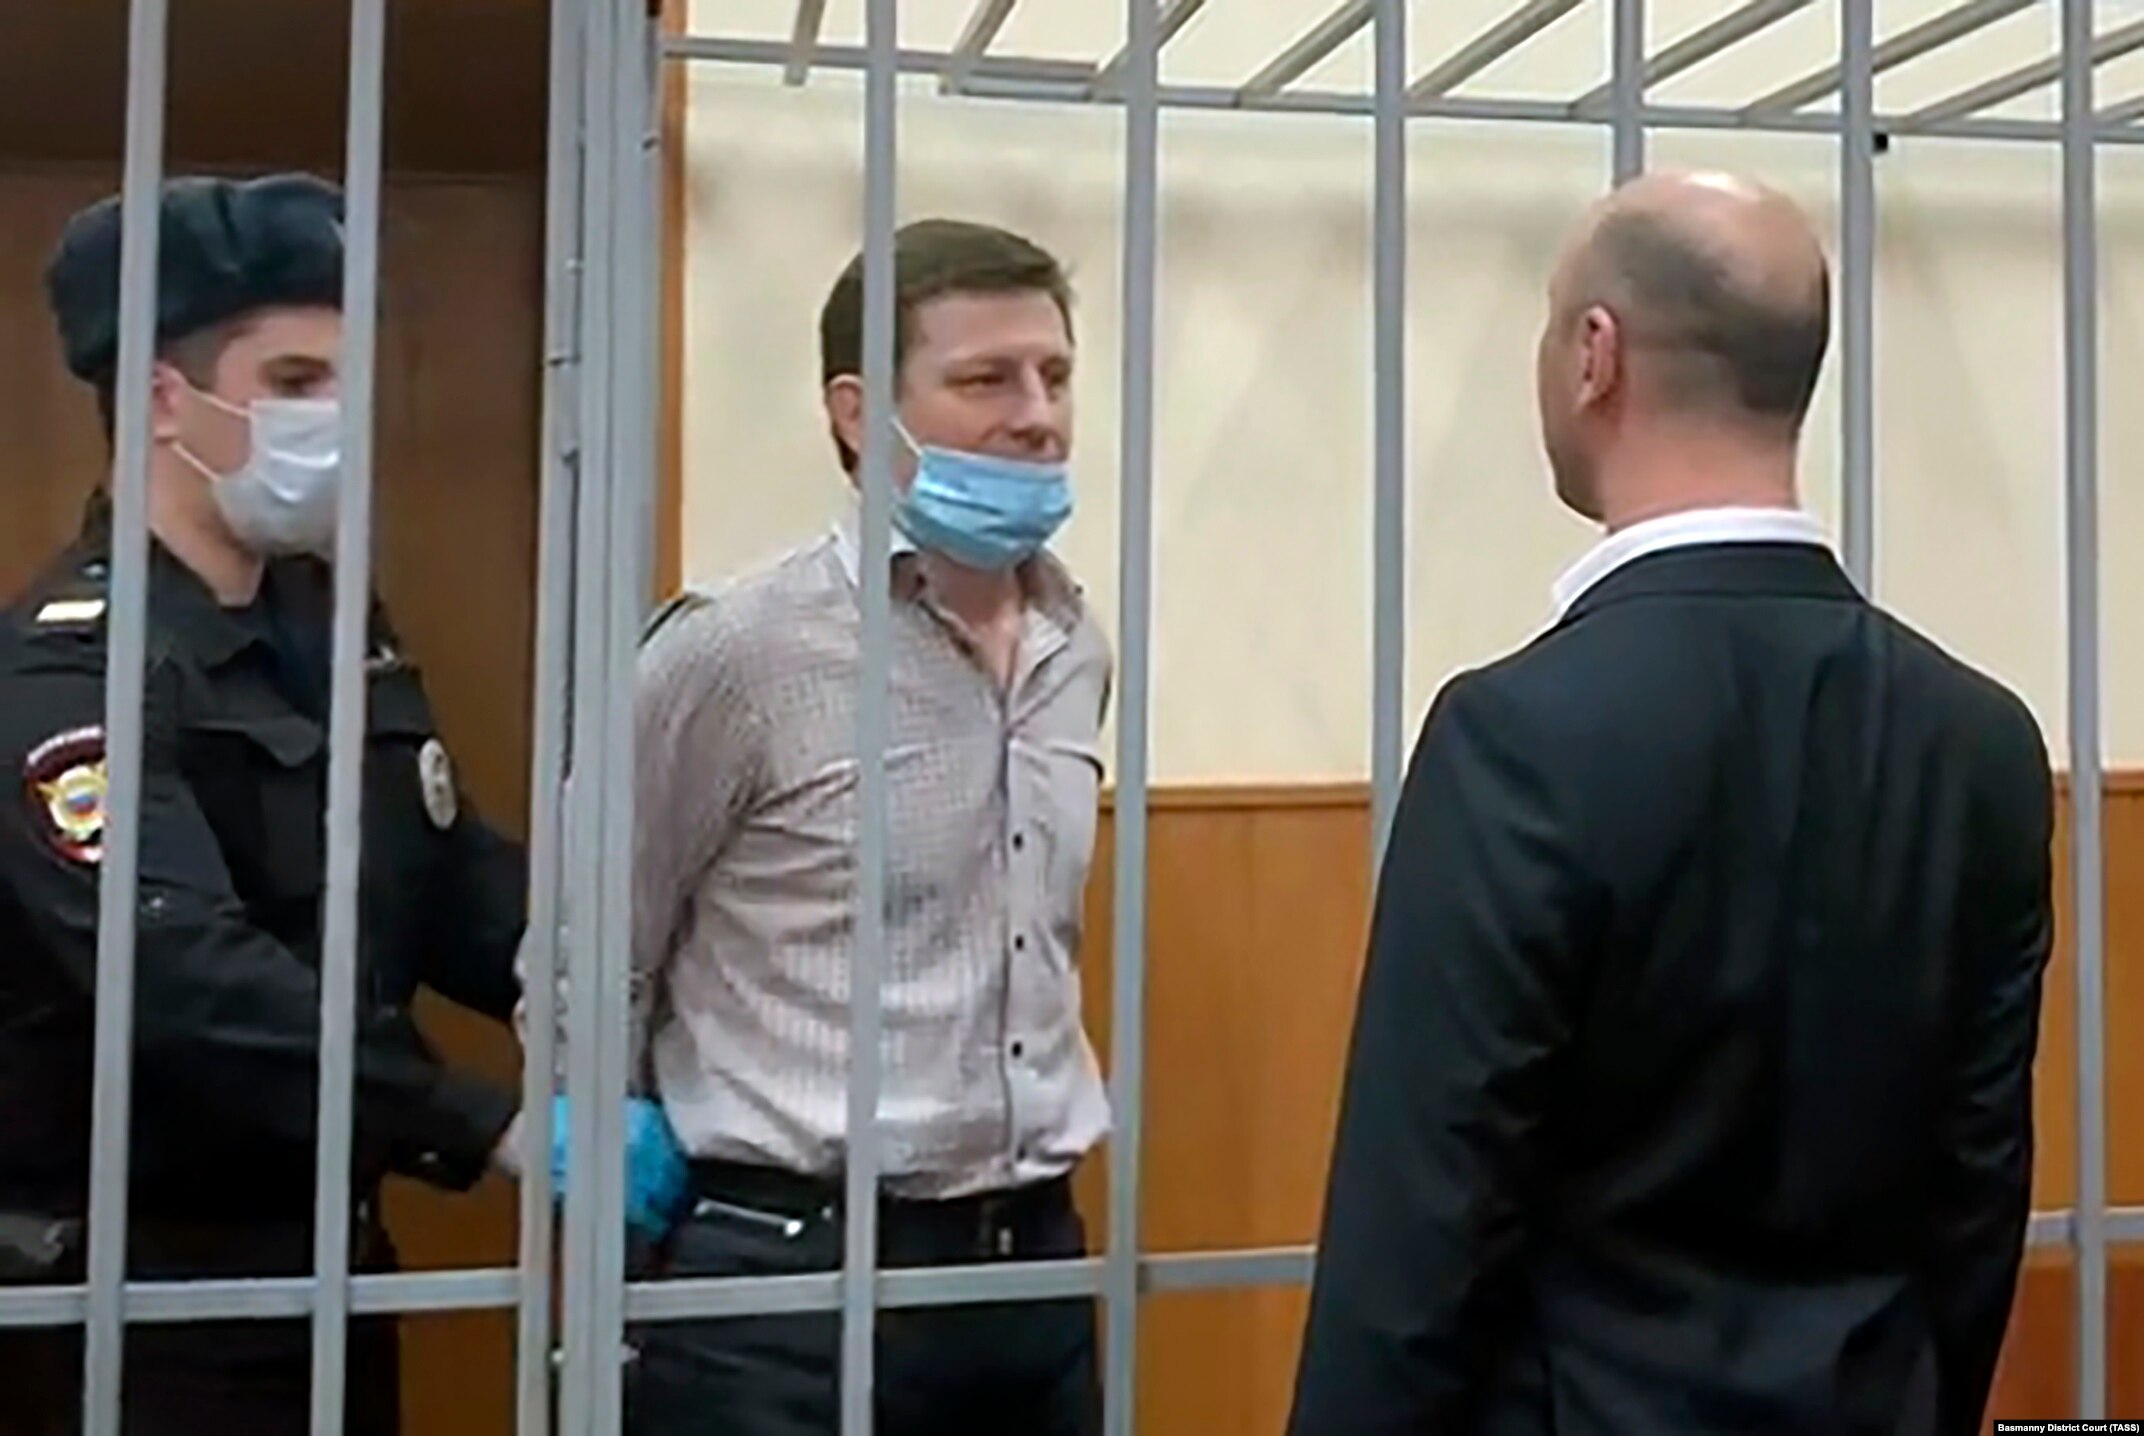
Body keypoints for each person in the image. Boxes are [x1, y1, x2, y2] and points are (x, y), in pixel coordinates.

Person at [1288, 171, 2053, 1436]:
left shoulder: (1516, 735)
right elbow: (1976, 1198)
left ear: (1595, 355)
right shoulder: (1980, 744)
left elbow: (1420, 1225)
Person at [0, 174, 536, 1435]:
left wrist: (626, 979)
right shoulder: (71, 669)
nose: (336, 418)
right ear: (160, 398)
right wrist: (488, 1121)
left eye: (348, 382)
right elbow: (185, 973)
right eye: (295, 381)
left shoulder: (335, 629)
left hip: (331, 1272)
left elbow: (445, 876)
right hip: (135, 1306)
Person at [626, 219, 1110, 1435]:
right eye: (985, 379)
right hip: (785, 1274)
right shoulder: (737, 651)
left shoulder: (1073, 646)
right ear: (857, 414)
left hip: (1030, 1259)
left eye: (1053, 375)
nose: (1037, 416)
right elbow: (596, 939)